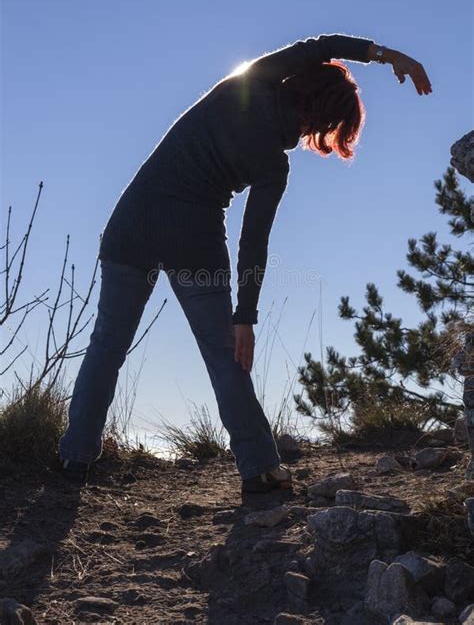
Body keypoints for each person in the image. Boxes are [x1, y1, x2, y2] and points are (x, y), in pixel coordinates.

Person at [58, 33, 432, 492]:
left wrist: (387, 56)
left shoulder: (250, 82)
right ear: (321, 117)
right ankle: (258, 468)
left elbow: (322, 44)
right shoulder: (273, 164)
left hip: (131, 222)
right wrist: (245, 318)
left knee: (107, 346)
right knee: (222, 355)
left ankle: (74, 460)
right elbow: (254, 242)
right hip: (192, 237)